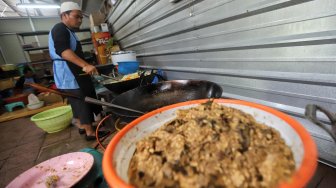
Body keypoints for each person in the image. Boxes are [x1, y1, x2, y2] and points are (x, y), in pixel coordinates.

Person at [48, 2, 107, 141]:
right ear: (64, 15)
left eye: (81, 17)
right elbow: (64, 52)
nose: (80, 20)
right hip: (67, 72)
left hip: (70, 71)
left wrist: (86, 64)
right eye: (76, 17)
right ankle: (90, 132)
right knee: (81, 100)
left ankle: (81, 126)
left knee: (76, 99)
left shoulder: (68, 31)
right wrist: (85, 65)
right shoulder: (60, 28)